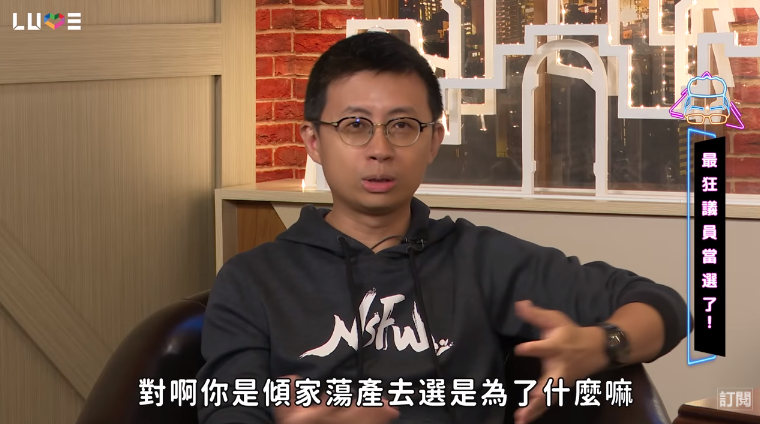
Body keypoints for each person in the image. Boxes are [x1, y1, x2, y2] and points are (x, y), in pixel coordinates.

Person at [197, 31, 690, 424]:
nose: (380, 150)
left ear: (433, 140)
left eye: (402, 126)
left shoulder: (480, 260)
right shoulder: (252, 280)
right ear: (313, 141)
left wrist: (604, 344)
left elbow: (664, 307)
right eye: (355, 125)